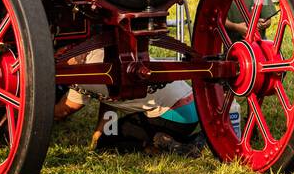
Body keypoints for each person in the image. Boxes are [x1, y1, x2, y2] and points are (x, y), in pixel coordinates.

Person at [53, 50, 202, 156]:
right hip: (193, 110)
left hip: (171, 117)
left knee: (107, 144)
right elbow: (108, 101)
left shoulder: (80, 76)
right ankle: (191, 139)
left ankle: (158, 145)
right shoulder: (104, 51)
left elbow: (62, 111)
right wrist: (99, 132)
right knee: (106, 135)